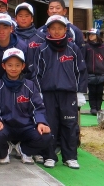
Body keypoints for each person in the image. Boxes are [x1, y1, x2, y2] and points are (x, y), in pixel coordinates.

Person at [35, 15, 87, 169]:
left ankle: (70, 157)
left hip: (68, 94)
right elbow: (36, 73)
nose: (56, 31)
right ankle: (49, 156)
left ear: (65, 29)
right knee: (49, 125)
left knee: (69, 125)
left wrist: (80, 92)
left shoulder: (73, 48)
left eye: (60, 28)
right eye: (53, 28)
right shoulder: (41, 49)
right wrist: (39, 92)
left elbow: (81, 71)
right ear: (48, 30)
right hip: (48, 94)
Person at [0, 48, 51, 165]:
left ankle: (24, 150)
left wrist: (41, 122)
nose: (13, 68)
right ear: (3, 66)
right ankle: (4, 152)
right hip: (5, 126)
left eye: (17, 65)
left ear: (23, 66)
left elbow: (38, 107)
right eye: (10, 65)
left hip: (26, 127)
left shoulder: (30, 86)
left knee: (46, 136)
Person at [14, 2, 43, 77]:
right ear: (15, 19)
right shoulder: (11, 37)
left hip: (38, 78)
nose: (23, 18)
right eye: (20, 16)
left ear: (32, 19)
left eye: (27, 16)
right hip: (16, 78)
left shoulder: (42, 37)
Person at [84, 29, 104, 115]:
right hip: (90, 72)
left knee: (99, 92)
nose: (90, 36)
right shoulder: (87, 46)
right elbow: (83, 58)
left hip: (101, 72)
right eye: (89, 35)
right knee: (92, 92)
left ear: (97, 35)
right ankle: (93, 108)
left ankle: (98, 108)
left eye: (92, 34)